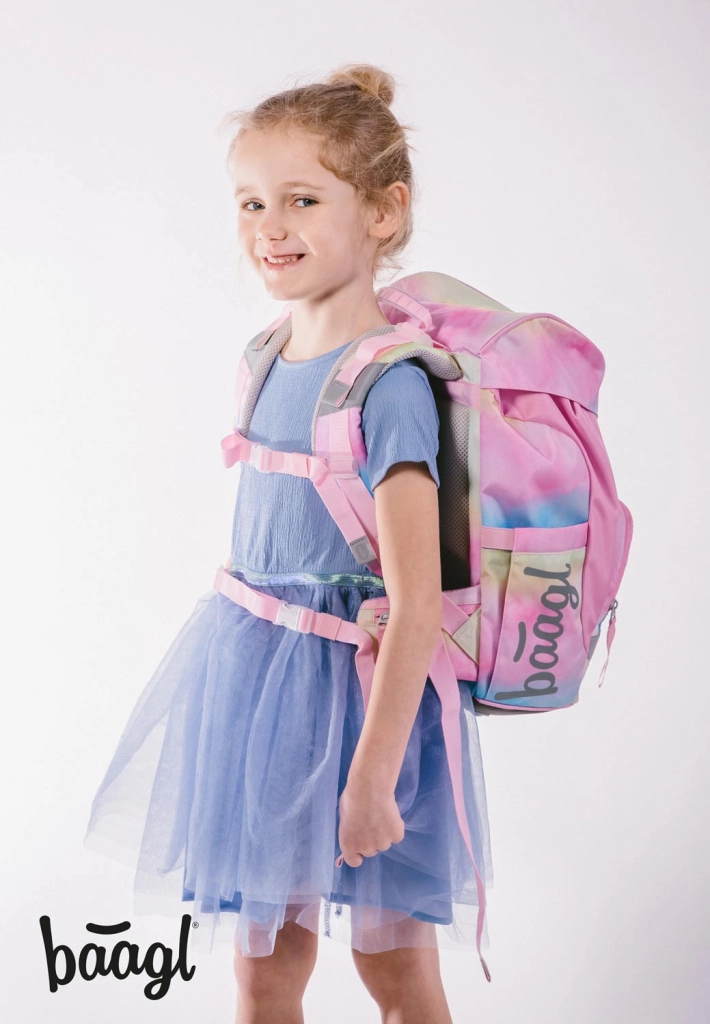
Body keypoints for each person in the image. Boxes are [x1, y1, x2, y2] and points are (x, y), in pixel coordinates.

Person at [84, 62, 493, 1024]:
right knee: (265, 975)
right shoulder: (264, 357)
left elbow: (418, 604)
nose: (270, 226)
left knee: (397, 976)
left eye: (303, 200)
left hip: (366, 712)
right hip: (260, 702)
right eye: (252, 202)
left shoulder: (390, 386)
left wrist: (374, 779)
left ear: (383, 213)